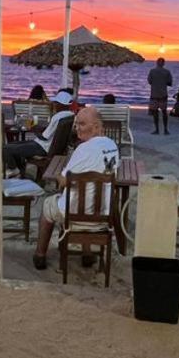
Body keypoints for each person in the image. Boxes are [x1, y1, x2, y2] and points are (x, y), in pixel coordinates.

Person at [33, 106, 120, 270]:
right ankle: (87, 255)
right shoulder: (112, 146)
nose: (77, 128)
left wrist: (59, 176)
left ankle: (40, 255)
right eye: (76, 124)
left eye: (81, 124)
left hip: (73, 215)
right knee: (89, 196)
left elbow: (65, 181)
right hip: (102, 215)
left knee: (47, 207)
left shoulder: (83, 149)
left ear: (96, 127)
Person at [4, 90, 74, 175]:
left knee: (6, 148)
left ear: (61, 104)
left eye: (56, 103)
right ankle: (20, 171)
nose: (54, 105)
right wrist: (40, 129)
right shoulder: (70, 115)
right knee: (13, 145)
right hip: (48, 146)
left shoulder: (57, 117)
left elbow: (44, 137)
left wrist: (34, 129)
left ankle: (14, 169)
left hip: (42, 147)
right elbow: (50, 132)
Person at [147, 57, 173, 135]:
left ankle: (157, 130)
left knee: (155, 113)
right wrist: (163, 82)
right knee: (164, 112)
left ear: (157, 63)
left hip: (154, 94)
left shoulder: (152, 71)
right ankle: (165, 129)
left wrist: (156, 83)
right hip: (163, 95)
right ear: (163, 63)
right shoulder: (167, 72)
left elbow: (149, 81)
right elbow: (170, 83)